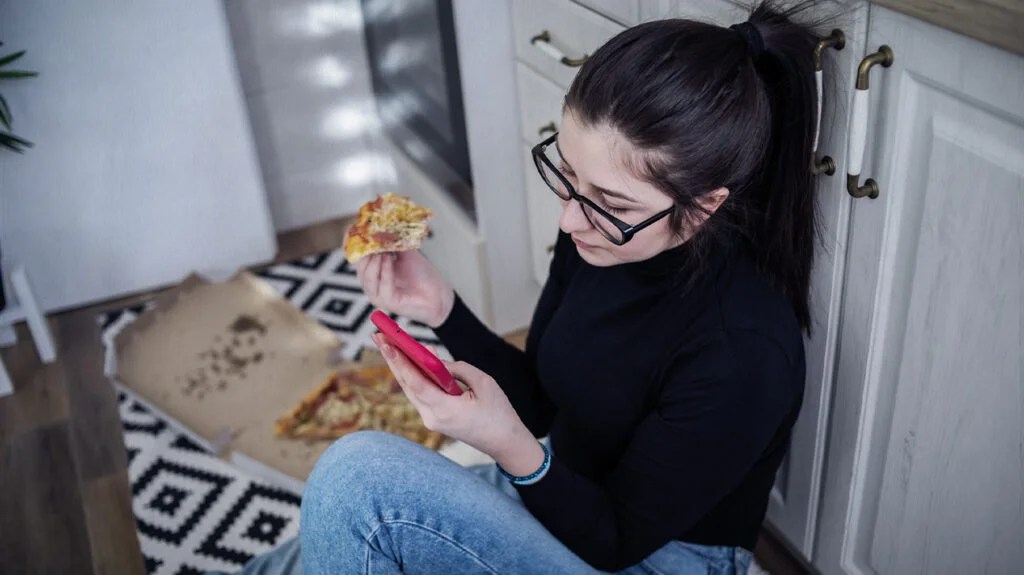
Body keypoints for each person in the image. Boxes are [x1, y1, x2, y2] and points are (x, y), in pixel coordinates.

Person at [228, 2, 827, 573]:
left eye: (610, 202)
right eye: (568, 173)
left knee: (360, 484)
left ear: (702, 208)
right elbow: (541, 399)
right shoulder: (599, 234)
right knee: (309, 544)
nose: (569, 220)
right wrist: (441, 306)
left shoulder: (743, 349)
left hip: (650, 557)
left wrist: (512, 449)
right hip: (558, 492)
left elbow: (615, 540)